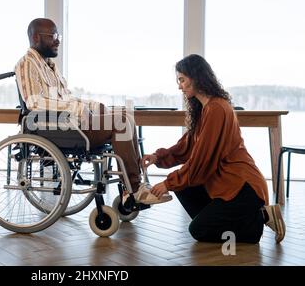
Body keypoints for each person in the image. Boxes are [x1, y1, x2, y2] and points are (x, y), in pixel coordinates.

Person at [14, 18, 172, 205]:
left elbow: (65, 98)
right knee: (120, 121)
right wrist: (81, 109)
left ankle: (135, 186)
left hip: (70, 124)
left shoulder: (49, 66)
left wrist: (92, 106)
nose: (58, 40)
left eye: (59, 36)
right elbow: (34, 102)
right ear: (36, 37)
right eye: (53, 36)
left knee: (124, 115)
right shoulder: (27, 64)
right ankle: (135, 189)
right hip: (59, 128)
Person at [141, 54, 286, 244]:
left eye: (182, 80)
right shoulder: (206, 108)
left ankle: (260, 219)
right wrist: (157, 157)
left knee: (198, 230)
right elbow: (188, 145)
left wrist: (168, 183)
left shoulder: (217, 108)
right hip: (224, 183)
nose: (180, 86)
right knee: (185, 190)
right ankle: (229, 219)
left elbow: (201, 159)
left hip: (242, 186)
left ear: (196, 77)